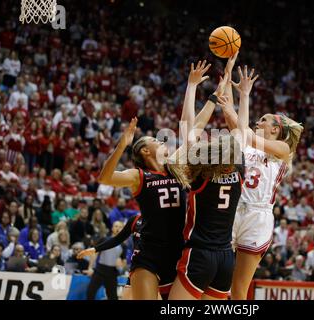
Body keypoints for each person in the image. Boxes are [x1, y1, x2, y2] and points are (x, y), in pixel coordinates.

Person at [219, 54, 304, 299]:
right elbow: (230, 114)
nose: (258, 121)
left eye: (264, 120)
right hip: (232, 209)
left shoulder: (283, 150)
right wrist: (228, 70)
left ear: (276, 129)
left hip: (259, 216)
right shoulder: (246, 143)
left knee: (239, 289)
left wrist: (238, 102)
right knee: (217, 279)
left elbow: (242, 127)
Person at [167, 61, 243, 300]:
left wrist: (192, 87)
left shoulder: (202, 174)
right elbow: (238, 128)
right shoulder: (240, 171)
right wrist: (229, 77)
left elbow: (188, 128)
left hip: (200, 255)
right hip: (225, 258)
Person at [96, 117, 186, 300]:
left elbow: (196, 124)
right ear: (146, 151)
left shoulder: (176, 168)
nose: (161, 141)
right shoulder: (139, 176)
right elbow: (104, 178)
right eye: (155, 140)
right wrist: (122, 145)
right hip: (149, 252)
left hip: (177, 251)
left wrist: (208, 97)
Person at [85, 221, 126, 300]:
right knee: (90, 292)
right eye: (116, 226)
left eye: (120, 227)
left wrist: (121, 265)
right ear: (112, 228)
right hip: (100, 270)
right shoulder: (104, 239)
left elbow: (124, 261)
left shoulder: (123, 245)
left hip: (112, 272)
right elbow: (94, 253)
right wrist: (90, 267)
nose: (118, 228)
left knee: (113, 297)